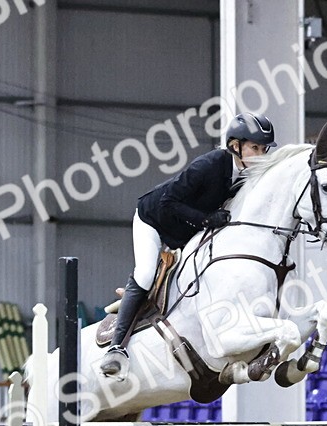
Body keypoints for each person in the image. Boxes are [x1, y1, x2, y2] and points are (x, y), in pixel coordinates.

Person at [99, 112, 277, 377]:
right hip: (153, 220)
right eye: (255, 148)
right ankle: (116, 348)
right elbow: (167, 202)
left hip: (186, 229)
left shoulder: (247, 175)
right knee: (146, 273)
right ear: (235, 146)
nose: (260, 154)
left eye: (263, 149)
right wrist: (206, 220)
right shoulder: (210, 164)